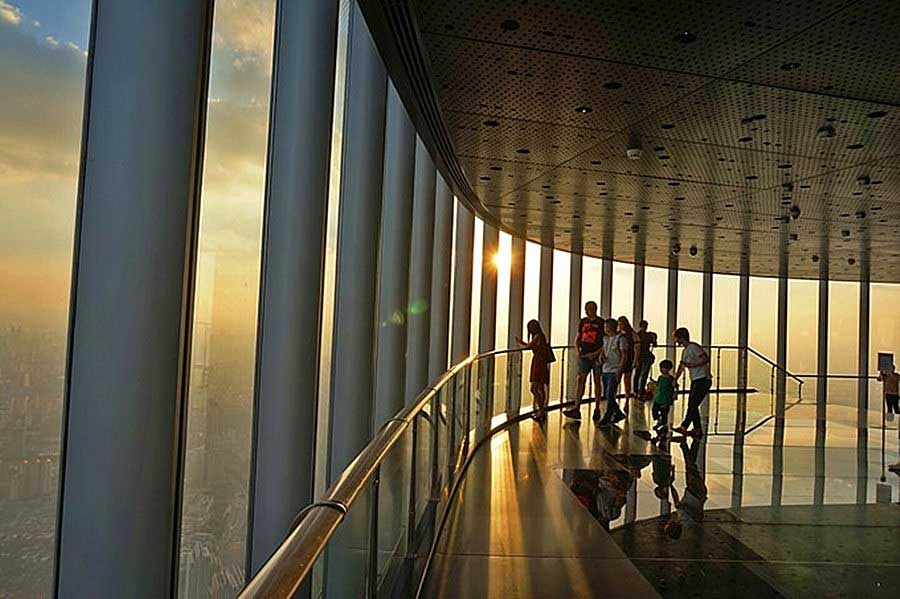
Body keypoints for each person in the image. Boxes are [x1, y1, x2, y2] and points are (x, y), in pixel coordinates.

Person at [564, 301, 604, 421]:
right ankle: (577, 407)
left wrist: (596, 353)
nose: (586, 310)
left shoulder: (601, 323)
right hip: (584, 355)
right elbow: (578, 336)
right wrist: (578, 350)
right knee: (581, 380)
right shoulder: (583, 321)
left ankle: (597, 408)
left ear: (594, 309)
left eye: (588, 308)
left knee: (597, 381)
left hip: (596, 356)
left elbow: (605, 341)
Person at [672, 327, 712, 438]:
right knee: (693, 405)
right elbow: (681, 366)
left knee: (693, 404)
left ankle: (684, 426)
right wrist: (675, 379)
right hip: (696, 380)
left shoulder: (693, 347)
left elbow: (705, 358)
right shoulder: (685, 351)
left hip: (703, 379)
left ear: (681, 338)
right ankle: (697, 429)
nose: (675, 341)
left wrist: (693, 365)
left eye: (676, 338)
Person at [516, 319, 551, 422]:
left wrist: (519, 342)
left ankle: (541, 410)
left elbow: (528, 346)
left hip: (538, 363)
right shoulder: (541, 336)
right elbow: (531, 345)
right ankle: (542, 410)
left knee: (534, 388)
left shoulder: (537, 337)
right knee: (541, 387)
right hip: (542, 363)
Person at [596, 318, 628, 426]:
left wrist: (620, 370)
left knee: (610, 394)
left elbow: (624, 355)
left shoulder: (621, 339)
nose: (604, 329)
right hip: (606, 369)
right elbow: (604, 351)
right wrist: (601, 357)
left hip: (615, 369)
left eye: (606, 326)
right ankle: (618, 413)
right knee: (607, 394)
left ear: (610, 327)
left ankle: (608, 415)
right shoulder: (606, 339)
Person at [617, 316, 640, 411]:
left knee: (626, 380)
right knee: (622, 380)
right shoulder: (629, 334)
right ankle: (624, 400)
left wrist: (635, 360)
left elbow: (637, 348)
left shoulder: (631, 334)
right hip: (621, 359)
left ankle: (626, 400)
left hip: (627, 359)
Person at [652, 359, 677, 441]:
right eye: (662, 368)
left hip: (666, 399)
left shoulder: (671, 379)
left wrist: (674, 395)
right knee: (654, 410)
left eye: (665, 368)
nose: (662, 370)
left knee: (664, 413)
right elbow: (658, 386)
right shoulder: (660, 378)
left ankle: (663, 424)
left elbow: (676, 387)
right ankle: (659, 420)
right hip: (658, 398)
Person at [634, 320, 658, 399]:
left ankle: (636, 391)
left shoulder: (637, 335)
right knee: (643, 375)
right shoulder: (648, 336)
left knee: (638, 374)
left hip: (639, 357)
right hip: (646, 357)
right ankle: (641, 391)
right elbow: (655, 344)